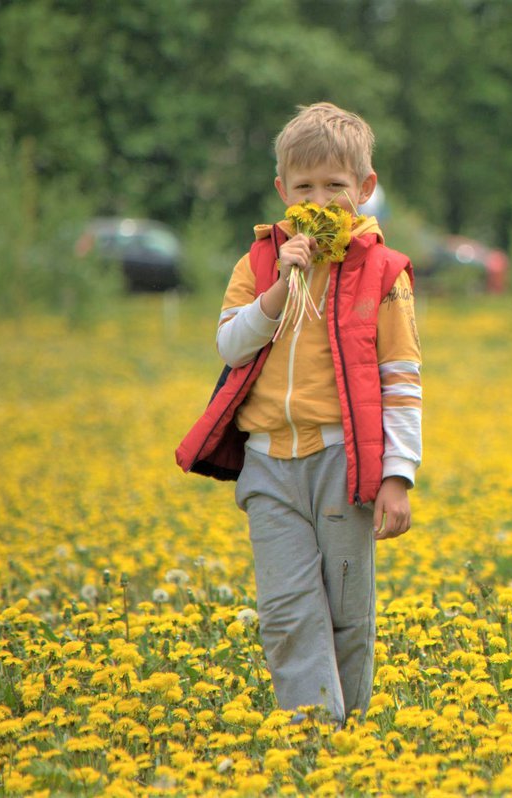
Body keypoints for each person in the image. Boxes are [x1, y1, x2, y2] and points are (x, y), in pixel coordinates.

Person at [176, 102, 421, 726]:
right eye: (305, 186)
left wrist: (399, 474)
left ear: (364, 190)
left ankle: (351, 738)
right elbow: (231, 346)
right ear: (283, 190)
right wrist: (280, 288)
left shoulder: (384, 273)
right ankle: (313, 737)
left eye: (336, 186)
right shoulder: (257, 265)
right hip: (268, 466)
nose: (321, 199)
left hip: (345, 462)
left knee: (346, 612)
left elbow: (401, 379)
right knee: (288, 610)